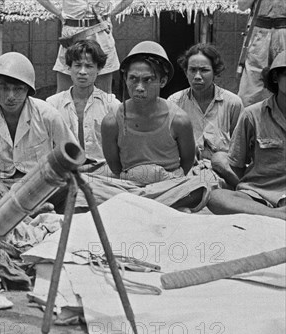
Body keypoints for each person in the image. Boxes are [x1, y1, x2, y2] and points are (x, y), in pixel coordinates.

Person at [88, 41, 210, 211]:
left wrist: (162, 181)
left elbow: (187, 163)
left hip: (168, 187)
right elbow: (115, 167)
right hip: (128, 186)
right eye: (133, 79)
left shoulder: (179, 120)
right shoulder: (112, 122)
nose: (139, 87)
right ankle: (151, 204)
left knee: (202, 185)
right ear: (125, 79)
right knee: (85, 188)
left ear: (163, 81)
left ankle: (139, 205)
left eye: (148, 80)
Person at [0, 52, 78, 211]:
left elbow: (72, 157)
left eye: (18, 89)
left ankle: (30, 211)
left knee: (71, 186)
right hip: (0, 190)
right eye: (4, 88)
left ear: (28, 89)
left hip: (42, 186)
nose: (11, 96)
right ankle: (26, 212)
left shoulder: (48, 115)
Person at [208, 52, 286, 221]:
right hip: (259, 194)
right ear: (275, 77)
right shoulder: (252, 115)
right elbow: (236, 164)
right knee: (216, 198)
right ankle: (277, 216)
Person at [46, 39, 120, 170]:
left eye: (89, 66)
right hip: (65, 171)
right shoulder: (52, 104)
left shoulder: (112, 105)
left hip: (102, 171)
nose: (82, 71)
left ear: (99, 69)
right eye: (77, 65)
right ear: (69, 68)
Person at [36, 0, 134, 94]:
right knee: (63, 91)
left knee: (104, 92)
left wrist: (110, 15)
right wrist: (59, 14)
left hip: (100, 33)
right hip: (73, 33)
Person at [169, 43, 243, 166]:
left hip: (223, 171)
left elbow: (240, 146)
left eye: (204, 70)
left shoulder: (233, 103)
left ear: (215, 72)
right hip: (187, 169)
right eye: (192, 70)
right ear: (186, 72)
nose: (197, 76)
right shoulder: (174, 102)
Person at [237, 0, 286, 107]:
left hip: (282, 32)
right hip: (260, 33)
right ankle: (246, 121)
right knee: (251, 85)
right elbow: (242, 5)